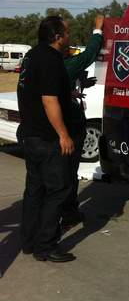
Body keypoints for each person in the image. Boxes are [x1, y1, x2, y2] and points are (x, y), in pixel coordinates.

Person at [17, 16, 76, 262]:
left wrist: (67, 92)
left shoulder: (32, 55)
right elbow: (48, 99)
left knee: (34, 190)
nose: (69, 36)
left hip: (30, 133)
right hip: (46, 137)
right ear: (57, 36)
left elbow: (40, 89)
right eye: (67, 32)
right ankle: (46, 246)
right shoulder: (51, 60)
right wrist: (64, 135)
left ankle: (29, 241)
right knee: (57, 190)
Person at [61, 14, 104, 228]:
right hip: (68, 129)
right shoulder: (64, 64)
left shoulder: (36, 59)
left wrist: (79, 86)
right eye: (67, 34)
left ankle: (65, 210)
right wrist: (98, 30)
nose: (69, 40)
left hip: (51, 130)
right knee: (67, 175)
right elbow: (89, 55)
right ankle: (65, 214)